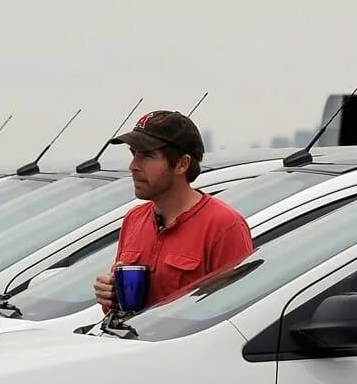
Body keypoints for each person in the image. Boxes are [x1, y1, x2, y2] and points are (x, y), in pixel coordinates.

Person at [93, 110, 253, 311]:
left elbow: (235, 311)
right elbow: (124, 306)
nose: (133, 166)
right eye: (134, 153)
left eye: (148, 156)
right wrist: (111, 296)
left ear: (182, 164)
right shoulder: (134, 219)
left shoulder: (224, 226)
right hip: (134, 333)